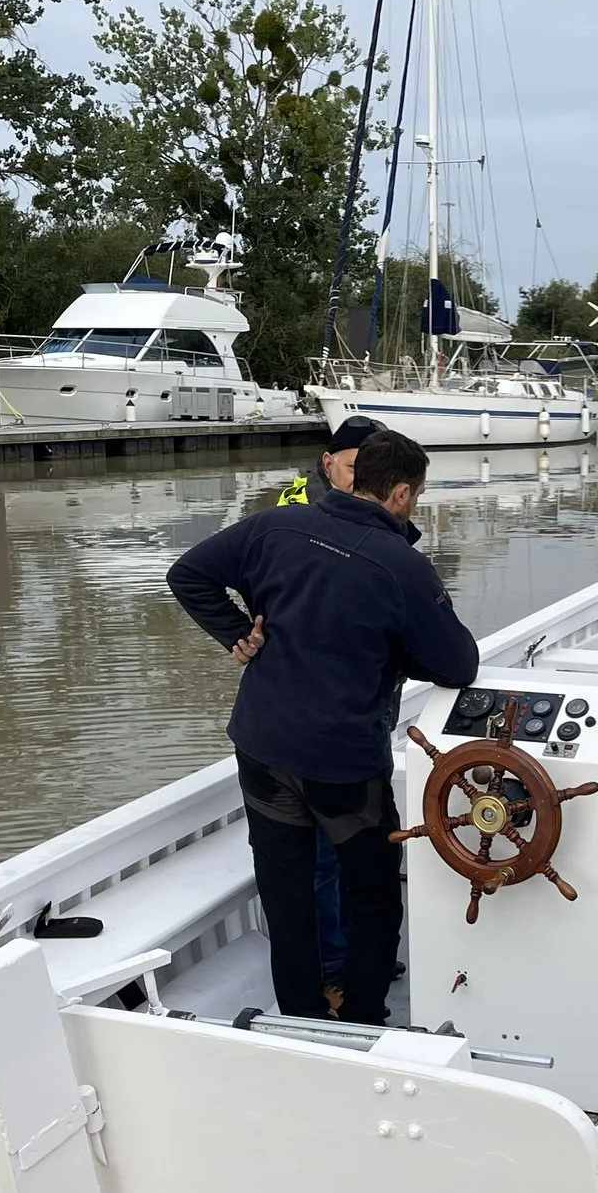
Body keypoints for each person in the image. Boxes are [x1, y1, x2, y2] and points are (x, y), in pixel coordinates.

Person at [168, 428, 479, 1022]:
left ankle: (300, 1013)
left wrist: (237, 631)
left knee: (286, 893)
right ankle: (362, 1016)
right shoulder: (402, 567)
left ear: (354, 474)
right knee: (374, 894)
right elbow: (457, 664)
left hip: (261, 747)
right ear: (403, 494)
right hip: (341, 762)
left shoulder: (273, 526)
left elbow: (188, 573)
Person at [276, 413, 383, 506]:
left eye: (374, 471)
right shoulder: (297, 510)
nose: (364, 480)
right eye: (353, 468)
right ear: (328, 464)